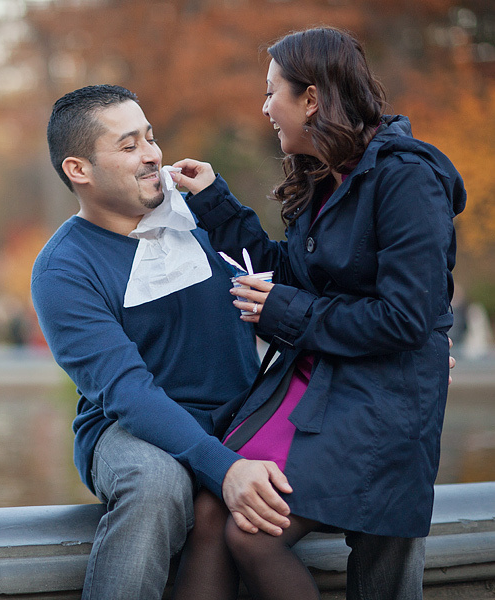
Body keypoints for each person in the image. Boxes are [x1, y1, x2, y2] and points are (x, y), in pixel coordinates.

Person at [170, 27, 465, 600]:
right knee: (214, 502)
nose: (264, 109)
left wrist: (288, 313)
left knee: (253, 533)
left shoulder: (407, 179)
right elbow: (293, 273)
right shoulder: (324, 175)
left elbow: (406, 318)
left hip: (377, 399)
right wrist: (215, 201)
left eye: (271, 92)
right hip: (318, 383)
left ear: (311, 99)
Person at [32, 84, 297, 600]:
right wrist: (225, 468)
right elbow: (127, 394)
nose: (153, 154)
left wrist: (401, 344)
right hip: (129, 428)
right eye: (129, 145)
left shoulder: (198, 215)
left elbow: (283, 293)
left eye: (150, 138)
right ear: (78, 170)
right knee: (156, 483)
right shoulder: (63, 268)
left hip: (239, 415)